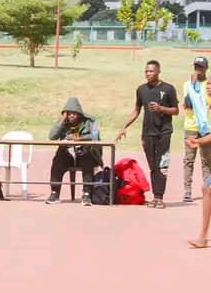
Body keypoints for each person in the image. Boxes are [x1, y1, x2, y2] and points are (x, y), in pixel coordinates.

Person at [115, 60, 179, 209]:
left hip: (164, 132)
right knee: (153, 166)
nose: (148, 74)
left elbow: (176, 111)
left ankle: (159, 197)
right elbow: (136, 110)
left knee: (161, 165)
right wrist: (124, 127)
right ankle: (155, 198)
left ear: (158, 71)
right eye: (146, 71)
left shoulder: (168, 89)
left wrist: (161, 108)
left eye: (151, 71)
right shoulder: (141, 90)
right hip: (147, 134)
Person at [45, 97, 102, 206]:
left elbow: (96, 136)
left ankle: (86, 194)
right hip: (68, 154)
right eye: (69, 113)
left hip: (84, 153)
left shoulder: (90, 121)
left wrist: (77, 137)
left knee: (88, 160)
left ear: (79, 114)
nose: (71, 116)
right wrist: (62, 120)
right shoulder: (63, 122)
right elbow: (52, 136)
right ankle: (55, 193)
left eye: (74, 113)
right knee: (57, 161)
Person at [182, 56, 211, 203]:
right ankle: (187, 190)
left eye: (201, 67)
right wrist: (193, 85)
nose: (198, 70)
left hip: (206, 127)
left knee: (206, 160)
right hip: (191, 126)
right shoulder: (187, 84)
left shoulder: (209, 84)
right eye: (196, 67)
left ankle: (208, 186)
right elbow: (187, 103)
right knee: (189, 159)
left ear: (206, 68)